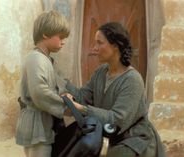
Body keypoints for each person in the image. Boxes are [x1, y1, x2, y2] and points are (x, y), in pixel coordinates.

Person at [64, 22, 166, 157]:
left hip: (135, 142)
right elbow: (83, 97)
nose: (94, 48)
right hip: (115, 140)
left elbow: (117, 120)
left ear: (115, 46)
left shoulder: (132, 80)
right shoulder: (101, 73)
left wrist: (83, 109)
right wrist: (58, 80)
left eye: (100, 43)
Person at [15, 10, 70, 157]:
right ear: (46, 34)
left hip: (42, 124)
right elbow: (40, 92)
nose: (63, 41)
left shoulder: (46, 60)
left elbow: (57, 87)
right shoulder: (36, 59)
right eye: (61, 37)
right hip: (36, 126)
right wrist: (67, 106)